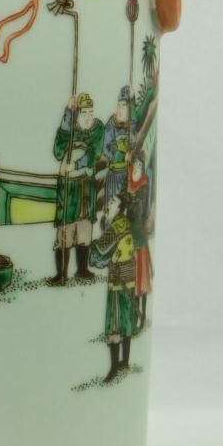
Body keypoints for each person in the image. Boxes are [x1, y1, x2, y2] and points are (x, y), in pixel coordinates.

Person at [48, 93, 104, 285]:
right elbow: (58, 151)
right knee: (66, 227)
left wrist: (77, 165)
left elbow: (95, 153)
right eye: (84, 113)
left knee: (84, 227)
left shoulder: (97, 129)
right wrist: (67, 112)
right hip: (68, 186)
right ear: (77, 114)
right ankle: (61, 273)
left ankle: (82, 269)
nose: (88, 117)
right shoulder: (69, 129)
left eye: (91, 112)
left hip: (86, 185)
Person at [90, 191, 138, 382]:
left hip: (118, 279)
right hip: (129, 275)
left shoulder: (114, 227)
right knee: (126, 318)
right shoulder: (125, 223)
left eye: (112, 202)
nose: (108, 204)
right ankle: (124, 361)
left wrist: (93, 245)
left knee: (115, 321)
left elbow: (99, 252)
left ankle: (113, 368)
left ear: (119, 208)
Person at [127, 154, 153, 329]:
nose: (136, 167)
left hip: (140, 241)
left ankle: (141, 316)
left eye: (139, 165)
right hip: (130, 241)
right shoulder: (129, 183)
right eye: (134, 164)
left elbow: (140, 211)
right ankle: (134, 316)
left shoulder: (143, 185)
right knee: (132, 283)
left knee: (141, 282)